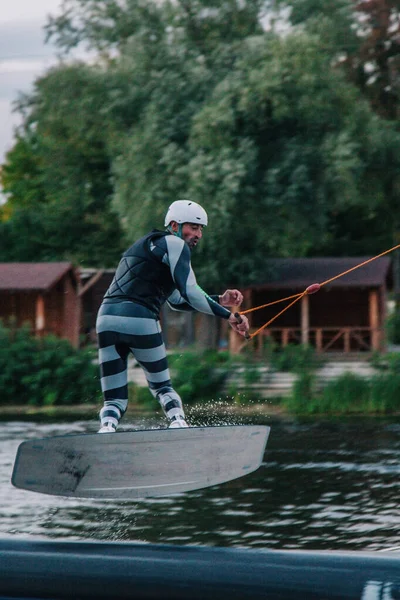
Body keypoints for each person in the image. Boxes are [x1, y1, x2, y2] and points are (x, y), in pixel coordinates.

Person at [96, 199, 249, 432]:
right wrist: (229, 315)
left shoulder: (146, 246)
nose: (197, 234)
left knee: (114, 398)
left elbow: (177, 301)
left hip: (106, 320)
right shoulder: (175, 244)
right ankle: (179, 424)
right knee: (162, 388)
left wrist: (219, 300)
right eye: (193, 227)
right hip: (140, 319)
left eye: (200, 229)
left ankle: (106, 428)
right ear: (175, 225)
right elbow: (191, 291)